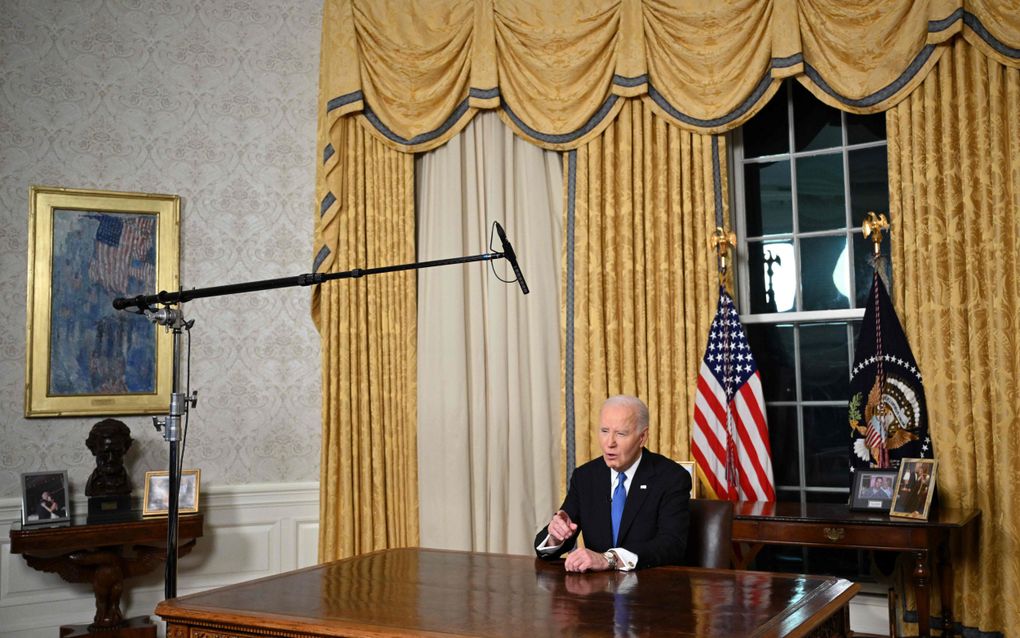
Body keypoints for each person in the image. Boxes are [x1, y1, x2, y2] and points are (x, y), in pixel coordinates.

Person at [534, 395, 691, 572]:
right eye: (604, 431)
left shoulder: (671, 478)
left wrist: (609, 559)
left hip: (649, 589)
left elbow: (672, 545)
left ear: (642, 437)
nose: (610, 443)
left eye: (621, 434)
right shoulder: (585, 477)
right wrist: (556, 536)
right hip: (596, 592)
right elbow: (558, 537)